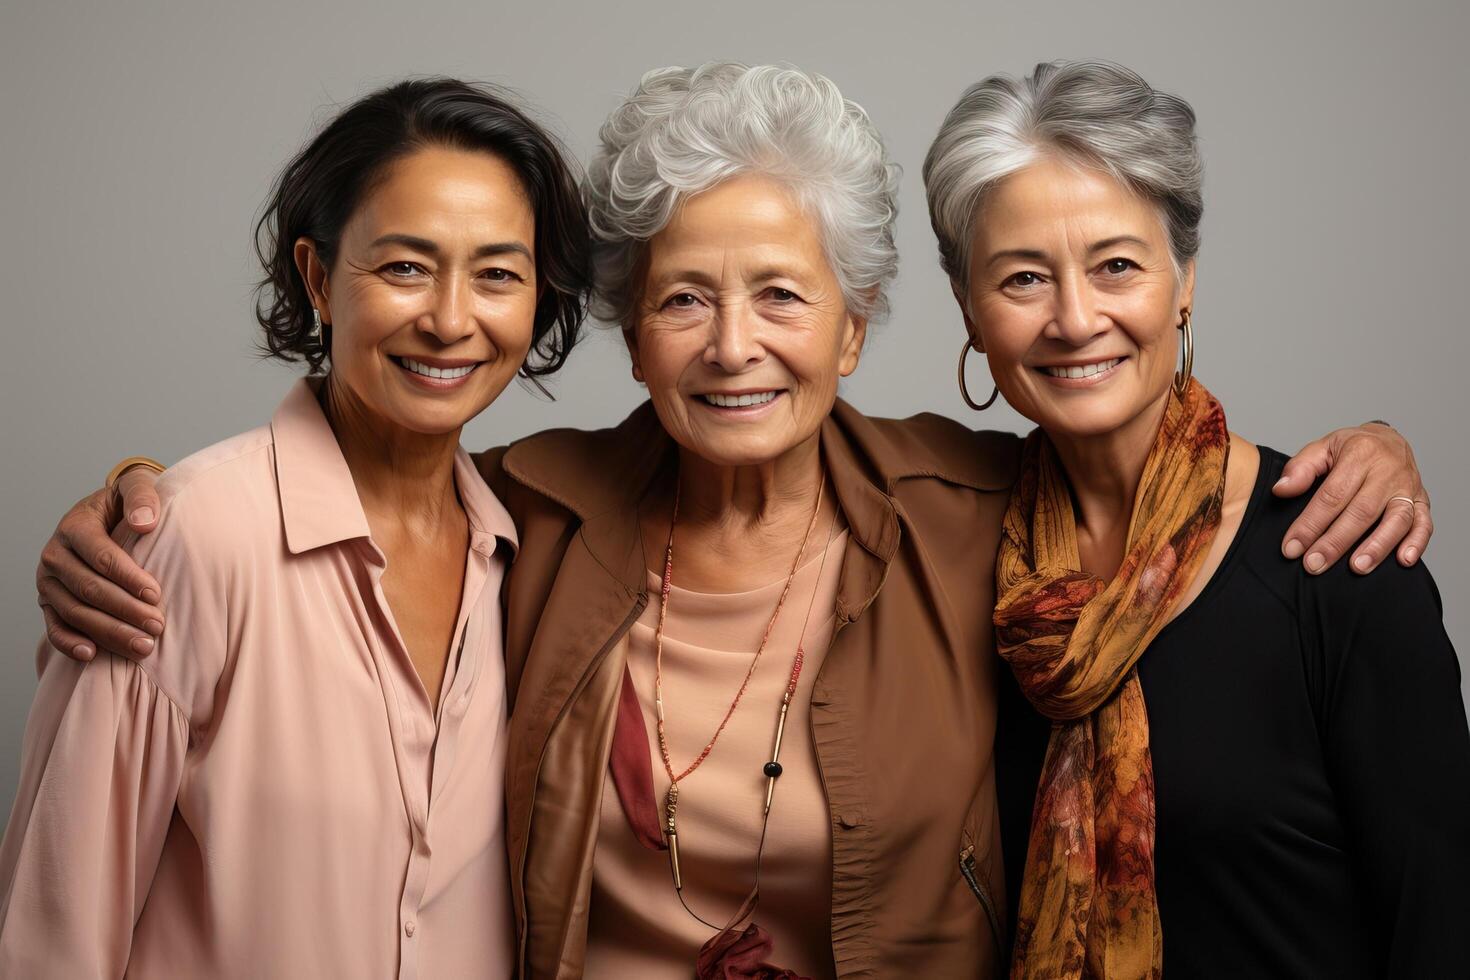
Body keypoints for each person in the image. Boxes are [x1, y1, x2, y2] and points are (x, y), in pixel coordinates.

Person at [23, 63, 1434, 979]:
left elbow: (1151, 492)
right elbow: (363, 476)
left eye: (780, 296)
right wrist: (140, 505)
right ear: (630, 335)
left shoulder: (966, 513)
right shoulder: (526, 515)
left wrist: (1371, 451)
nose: (731, 347)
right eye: (681, 299)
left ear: (855, 326)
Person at [0, 78, 592, 978]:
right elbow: (56, 937)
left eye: (499, 274)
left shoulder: (530, 547)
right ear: (318, 278)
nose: (449, 319)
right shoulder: (194, 540)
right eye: (403, 266)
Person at [923, 60, 1470, 978]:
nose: (1074, 317)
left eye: (1117, 267)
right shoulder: (949, 551)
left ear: (1184, 283)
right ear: (970, 314)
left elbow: (1444, 927)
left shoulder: (1337, 559)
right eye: (1022, 278)